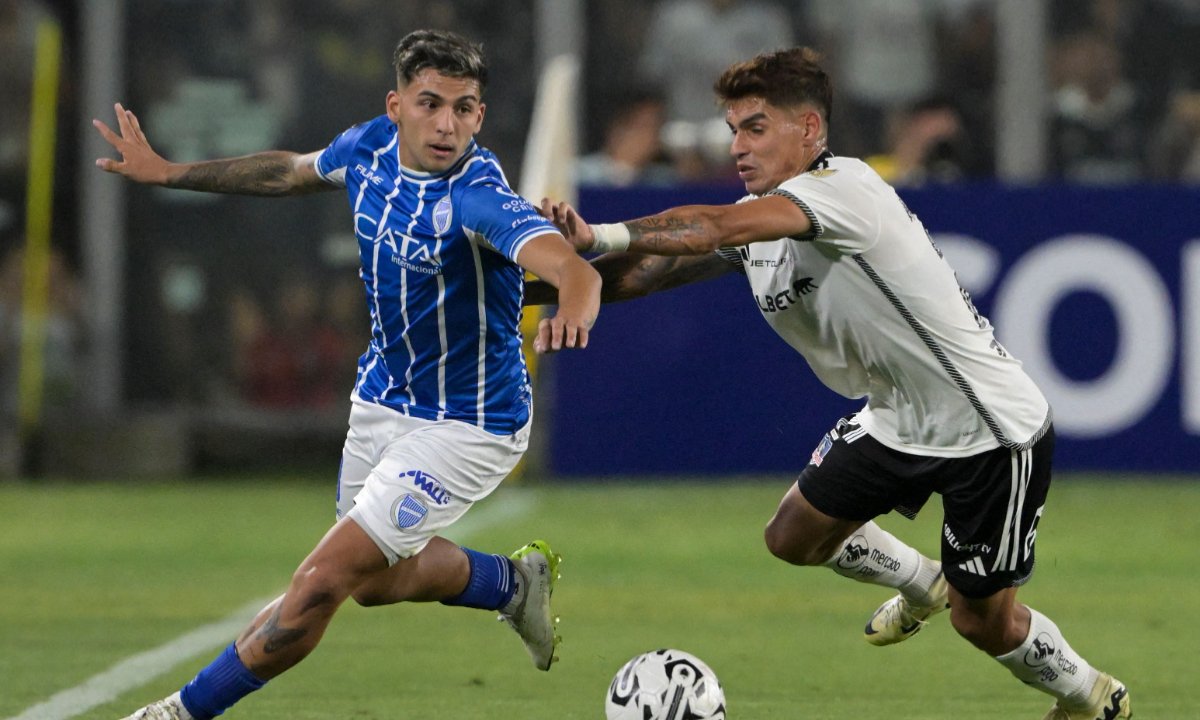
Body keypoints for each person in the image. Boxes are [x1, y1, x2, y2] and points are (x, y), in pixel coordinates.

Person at [528, 47, 1130, 720]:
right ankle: (920, 581)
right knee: (794, 536)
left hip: (985, 428)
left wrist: (601, 232)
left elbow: (712, 228)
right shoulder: (764, 216)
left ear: (809, 130)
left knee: (982, 622)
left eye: (756, 127)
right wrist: (536, 283)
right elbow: (651, 272)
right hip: (899, 416)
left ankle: (1089, 697)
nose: (738, 146)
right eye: (732, 130)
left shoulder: (845, 190)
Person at [94, 29, 601, 720]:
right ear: (397, 106)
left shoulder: (479, 197)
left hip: (468, 423)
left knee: (321, 583)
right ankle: (509, 583)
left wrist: (574, 306)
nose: (447, 124)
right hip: (383, 399)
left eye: (463, 108)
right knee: (375, 584)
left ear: (480, 115)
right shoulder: (368, 148)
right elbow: (287, 172)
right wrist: (171, 172)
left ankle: (174, 714)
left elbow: (573, 267)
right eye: (431, 104)